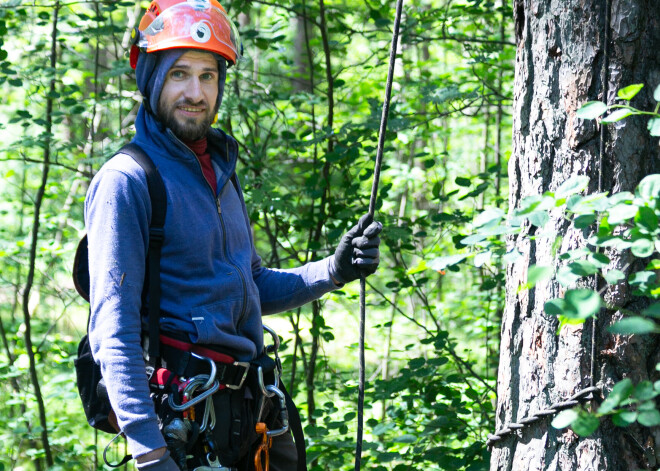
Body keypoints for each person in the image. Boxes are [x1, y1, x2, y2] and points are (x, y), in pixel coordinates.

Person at [84, 0, 382, 470]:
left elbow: (250, 284)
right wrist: (149, 451)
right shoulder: (128, 180)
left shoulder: (219, 171)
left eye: (208, 76)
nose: (195, 93)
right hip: (184, 424)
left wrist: (333, 270)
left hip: (249, 412)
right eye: (180, 73)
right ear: (151, 80)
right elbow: (113, 330)